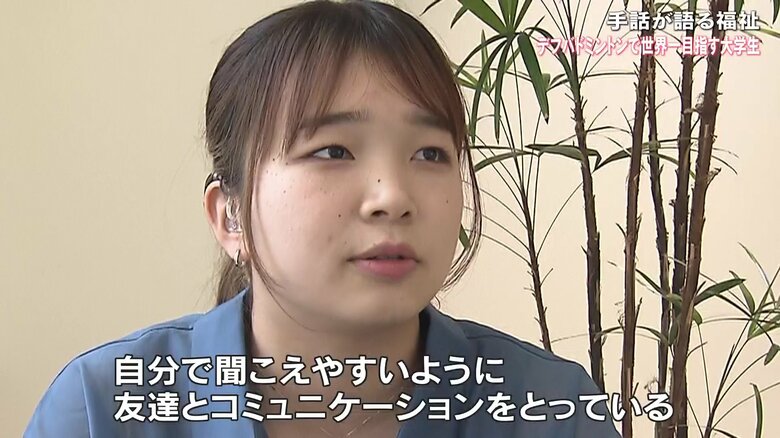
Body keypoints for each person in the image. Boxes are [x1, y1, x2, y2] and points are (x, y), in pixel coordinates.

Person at [25, 1, 621, 437]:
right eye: (333, 151)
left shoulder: (550, 411)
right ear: (230, 216)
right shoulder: (104, 408)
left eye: (429, 154)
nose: (392, 197)